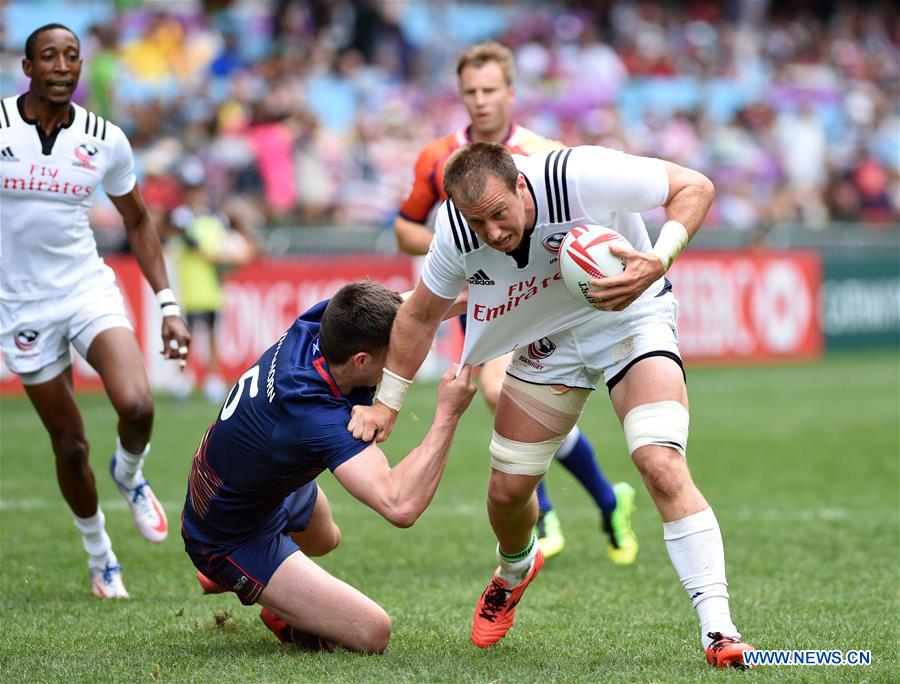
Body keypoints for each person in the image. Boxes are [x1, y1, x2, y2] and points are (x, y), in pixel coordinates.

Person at [350, 141, 758, 668]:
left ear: (522, 185)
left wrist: (658, 257)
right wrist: (387, 403)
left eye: (499, 214)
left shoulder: (580, 174)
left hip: (630, 320)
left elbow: (694, 186)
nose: (492, 233)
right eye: (479, 223)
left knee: (659, 461)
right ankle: (516, 568)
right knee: (506, 492)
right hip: (550, 341)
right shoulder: (455, 230)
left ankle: (719, 633)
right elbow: (421, 316)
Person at [395, 41, 637, 564]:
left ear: (510, 92)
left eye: (489, 90)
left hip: (535, 295)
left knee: (499, 388)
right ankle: (604, 497)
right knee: (501, 395)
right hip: (478, 294)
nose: (480, 101)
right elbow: (404, 227)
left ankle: (543, 510)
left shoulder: (540, 151)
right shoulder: (437, 158)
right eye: (470, 92)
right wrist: (454, 247)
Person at [0, 25, 191, 597]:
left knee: (136, 403)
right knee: (71, 445)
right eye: (49, 57)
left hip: (86, 289)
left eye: (72, 57)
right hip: (22, 305)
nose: (62, 66)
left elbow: (137, 220)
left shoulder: (105, 138)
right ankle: (99, 551)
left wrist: (169, 306)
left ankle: (130, 474)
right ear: (28, 66)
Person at [182, 281, 476, 652]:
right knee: (372, 632)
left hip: (253, 485)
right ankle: (251, 585)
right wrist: (448, 413)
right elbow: (400, 504)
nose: (400, 362)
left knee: (326, 538)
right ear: (362, 362)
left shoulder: (324, 320)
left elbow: (425, 307)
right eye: (394, 354)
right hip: (226, 533)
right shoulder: (315, 414)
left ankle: (262, 582)